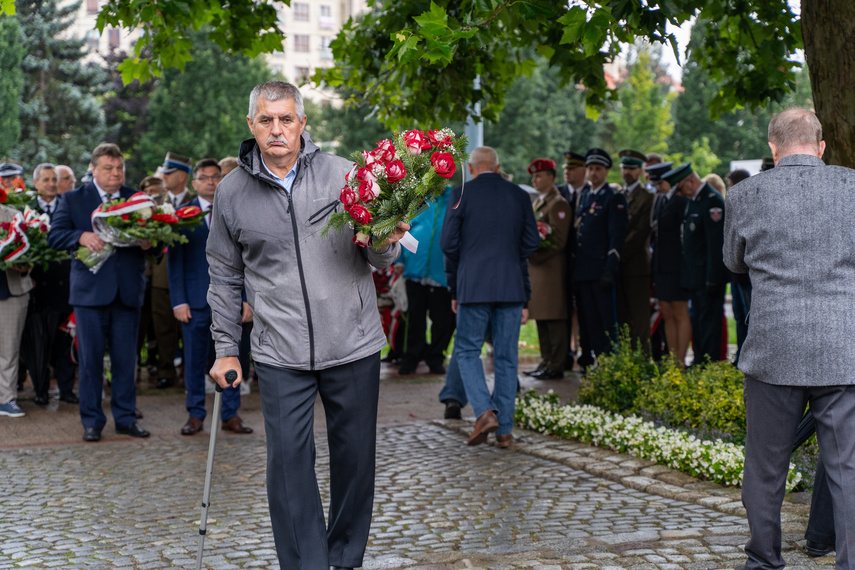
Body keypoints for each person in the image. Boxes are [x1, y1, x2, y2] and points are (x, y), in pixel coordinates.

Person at [206, 81, 408, 570]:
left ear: (302, 124)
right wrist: (226, 348)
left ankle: (343, 557)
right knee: (289, 467)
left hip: (354, 341)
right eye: (266, 120)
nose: (277, 129)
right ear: (251, 124)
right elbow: (224, 275)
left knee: (355, 461)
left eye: (286, 119)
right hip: (280, 350)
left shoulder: (343, 174)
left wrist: (386, 236)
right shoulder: (231, 192)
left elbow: (380, 256)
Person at [724, 107, 855, 570]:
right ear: (820, 146)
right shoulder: (853, 187)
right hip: (843, 348)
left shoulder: (745, 195)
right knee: (846, 469)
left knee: (765, 467)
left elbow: (734, 263)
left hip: (773, 348)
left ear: (773, 147)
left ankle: (763, 560)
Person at [48, 143, 152, 442]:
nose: (115, 174)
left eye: (119, 168)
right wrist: (80, 235)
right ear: (93, 169)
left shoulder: (136, 199)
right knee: (90, 362)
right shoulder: (73, 199)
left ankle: (125, 418)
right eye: (108, 168)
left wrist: (149, 243)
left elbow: (157, 244)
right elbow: (54, 236)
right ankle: (92, 422)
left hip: (127, 293)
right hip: (90, 296)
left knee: (125, 361)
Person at [441, 146, 539, 447]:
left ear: (471, 169)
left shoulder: (460, 194)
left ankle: (484, 411)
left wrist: (459, 280)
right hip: (511, 287)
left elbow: (448, 244)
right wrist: (509, 258)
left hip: (473, 285)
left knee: (469, 351)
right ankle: (505, 431)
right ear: (497, 168)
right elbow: (531, 243)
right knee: (507, 358)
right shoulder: (520, 196)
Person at [168, 158, 252, 436]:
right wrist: (178, 301)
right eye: (204, 177)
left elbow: (247, 259)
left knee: (232, 356)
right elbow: (174, 262)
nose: (211, 182)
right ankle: (195, 414)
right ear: (194, 183)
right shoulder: (180, 215)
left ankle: (230, 413)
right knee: (193, 360)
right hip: (194, 300)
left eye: (216, 176)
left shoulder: (235, 209)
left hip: (231, 299)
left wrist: (247, 298)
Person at [21, 163, 77, 405]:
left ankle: (66, 389)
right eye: (46, 180)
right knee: (39, 343)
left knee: (65, 343)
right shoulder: (24, 210)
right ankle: (41, 391)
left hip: (67, 287)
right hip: (38, 289)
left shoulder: (68, 206)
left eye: (54, 179)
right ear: (35, 183)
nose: (51, 184)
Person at [661, 162, 727, 365]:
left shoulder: (711, 201)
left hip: (708, 278)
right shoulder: (694, 200)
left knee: (709, 326)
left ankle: (709, 367)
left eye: (680, 188)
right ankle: (700, 362)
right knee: (698, 324)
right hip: (694, 278)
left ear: (689, 181)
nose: (680, 193)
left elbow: (715, 245)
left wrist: (713, 278)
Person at [574, 148, 628, 367]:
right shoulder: (585, 195)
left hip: (601, 269)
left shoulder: (613, 197)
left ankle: (607, 361)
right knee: (588, 319)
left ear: (606, 171)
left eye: (598, 169)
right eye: (590, 169)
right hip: (582, 268)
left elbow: (617, 235)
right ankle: (591, 357)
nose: (593, 173)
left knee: (605, 319)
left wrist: (610, 266)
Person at [396, 186, 455, 376]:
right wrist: (399, 260)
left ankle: (436, 358)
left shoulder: (456, 200)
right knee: (414, 321)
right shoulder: (417, 199)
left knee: (443, 321)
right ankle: (411, 358)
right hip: (415, 272)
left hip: (442, 274)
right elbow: (401, 230)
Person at [525, 158, 571, 380]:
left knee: (554, 318)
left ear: (552, 178)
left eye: (540, 175)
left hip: (551, 269)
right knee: (542, 318)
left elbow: (560, 240)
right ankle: (545, 361)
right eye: (533, 176)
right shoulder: (539, 202)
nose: (535, 179)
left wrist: (535, 254)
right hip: (539, 268)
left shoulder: (558, 203)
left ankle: (556, 362)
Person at [647, 161, 692, 366]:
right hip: (661, 265)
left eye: (660, 183)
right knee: (667, 313)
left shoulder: (681, 201)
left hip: (677, 265)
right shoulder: (660, 201)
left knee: (680, 312)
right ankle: (673, 359)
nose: (657, 187)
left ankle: (681, 359)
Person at [616, 149, 654, 354]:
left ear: (640, 170)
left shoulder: (648, 197)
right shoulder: (618, 195)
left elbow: (640, 232)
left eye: (632, 168)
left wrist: (616, 253)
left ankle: (643, 357)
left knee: (639, 316)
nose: (627, 172)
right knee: (622, 316)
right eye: (625, 168)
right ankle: (627, 358)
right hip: (618, 265)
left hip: (636, 264)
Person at [0, 204, 33, 418]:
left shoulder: (14, 216)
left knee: (9, 350)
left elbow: (32, 252)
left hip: (11, 291)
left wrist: (24, 265)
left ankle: (6, 399)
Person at [556, 151, 587, 370]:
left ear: (584, 171)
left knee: (585, 309)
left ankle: (586, 353)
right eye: (565, 169)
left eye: (572, 169)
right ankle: (564, 352)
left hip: (584, 262)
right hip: (560, 263)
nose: (567, 173)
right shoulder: (558, 194)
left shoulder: (589, 193)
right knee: (563, 309)